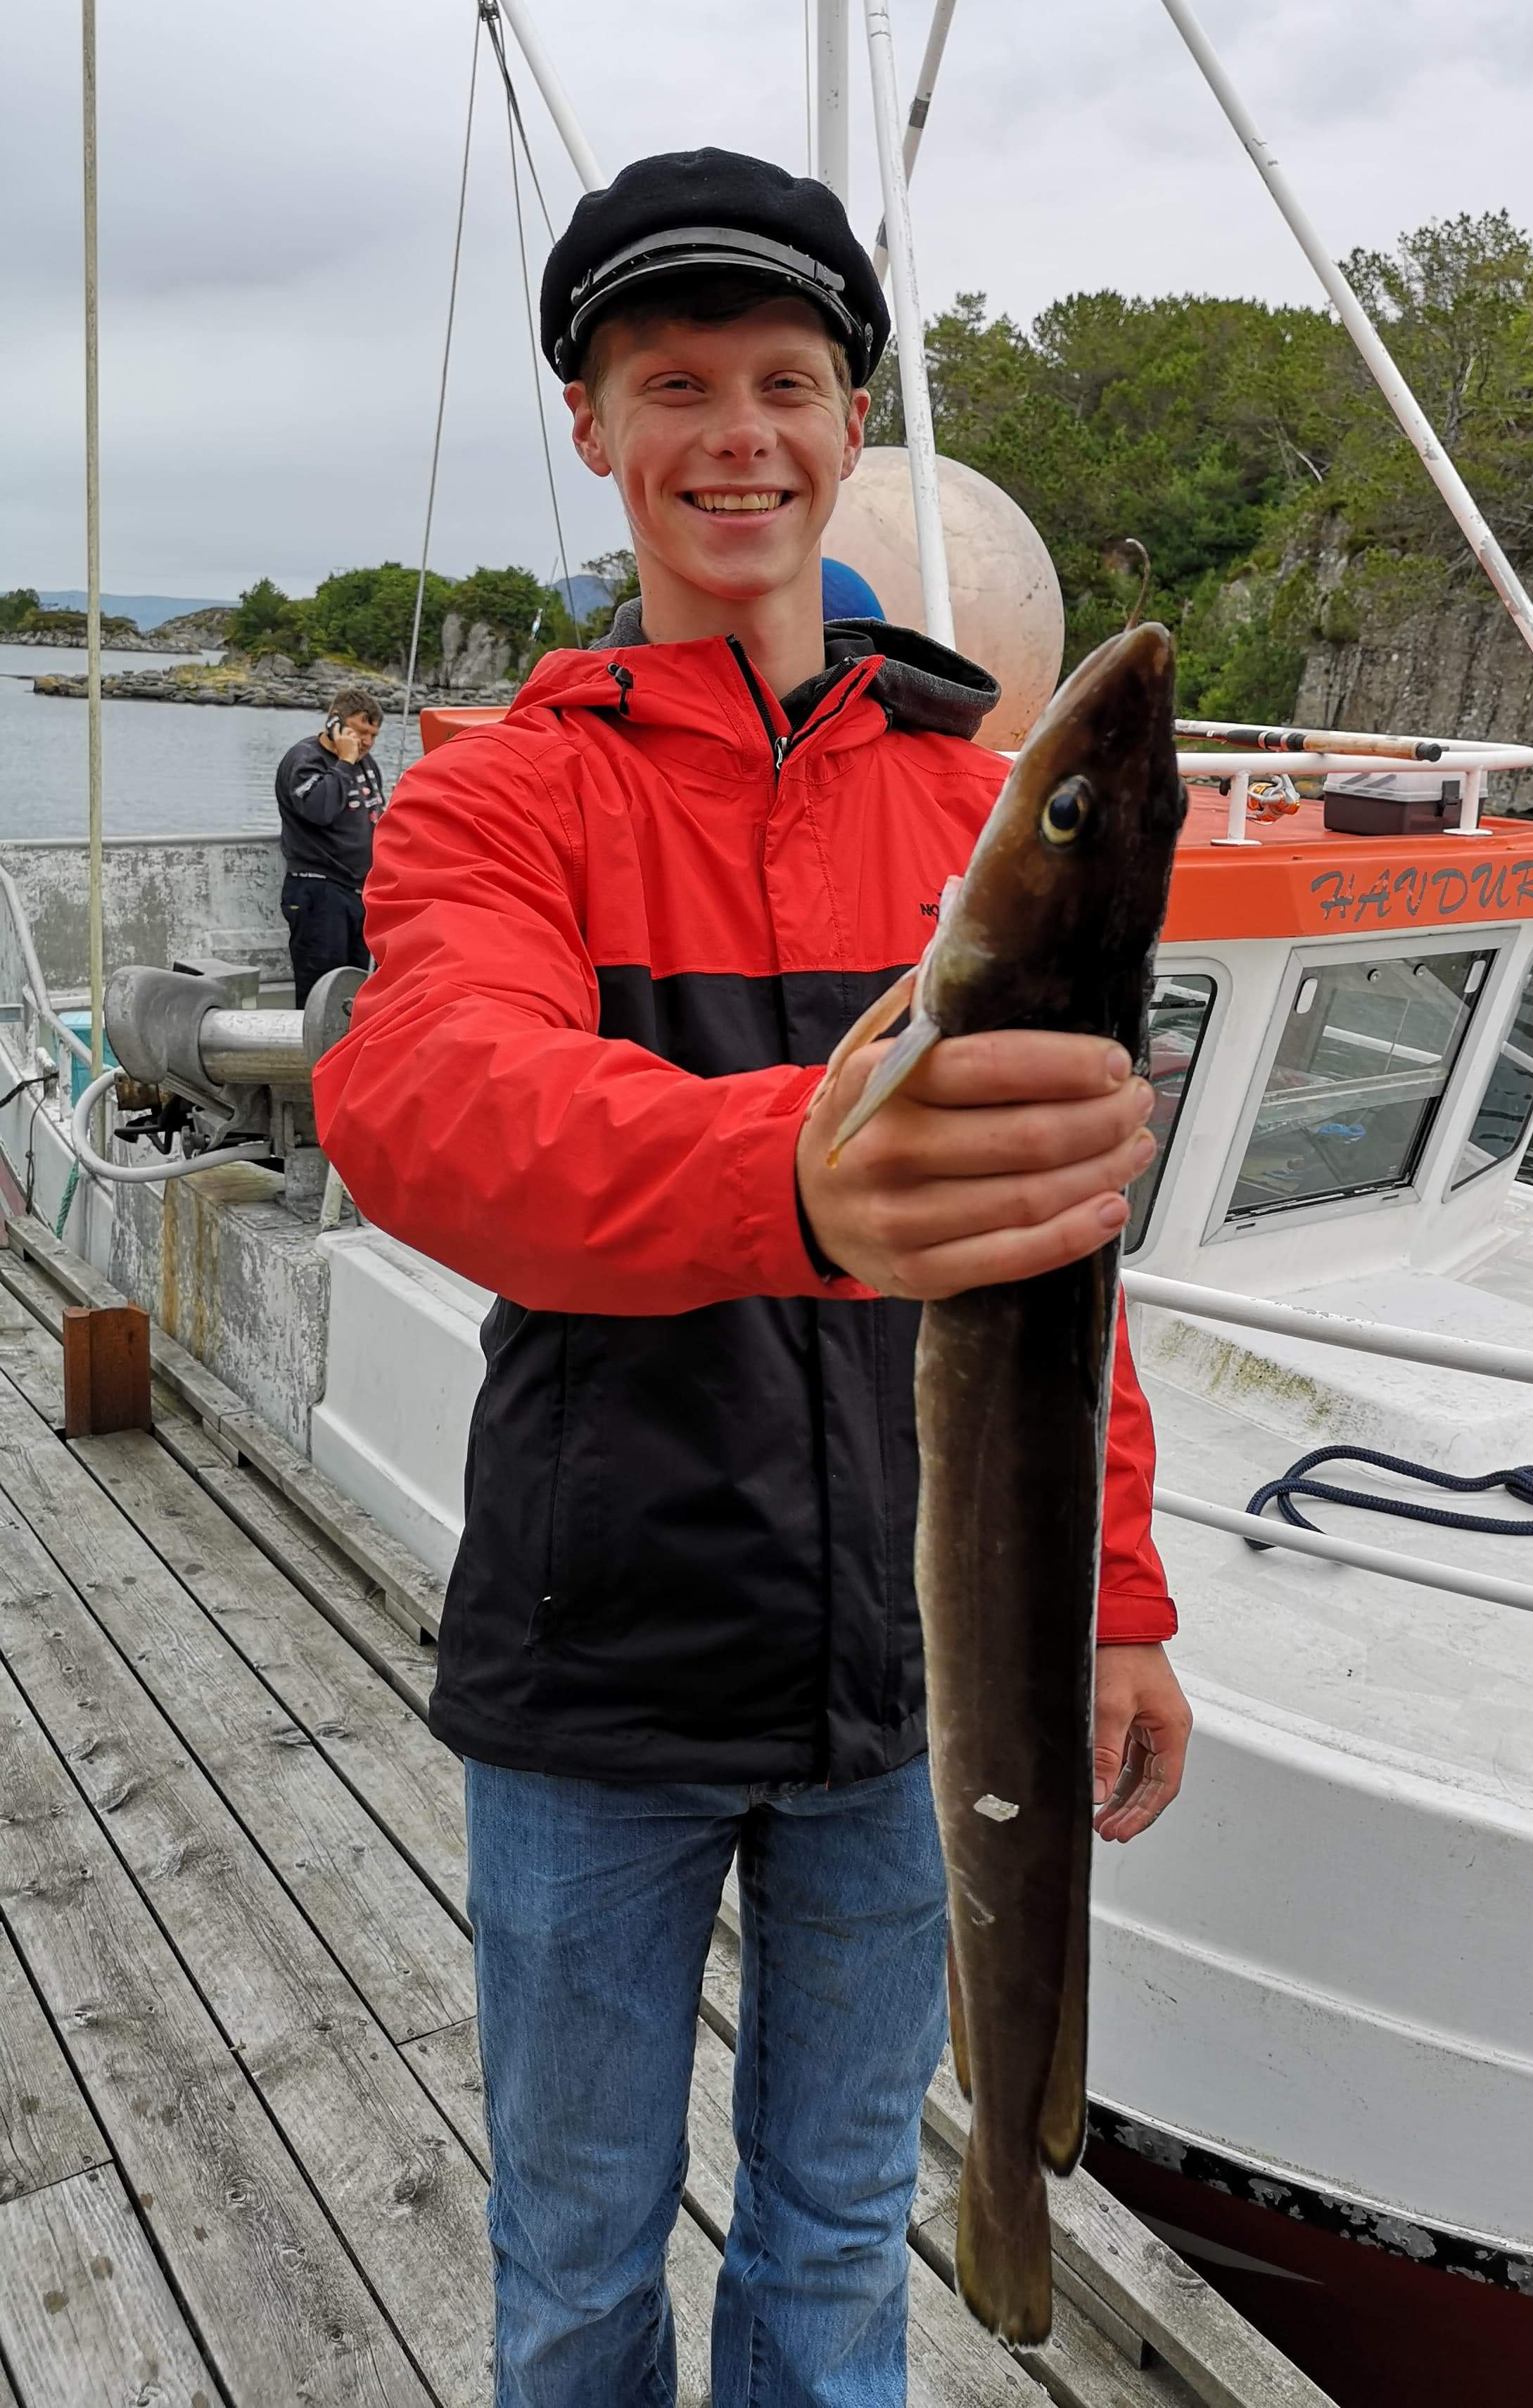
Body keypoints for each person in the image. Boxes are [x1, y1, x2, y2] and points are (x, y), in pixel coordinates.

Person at [312, 148, 1192, 2408]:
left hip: (909, 1699)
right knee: (580, 2251)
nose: (738, 434)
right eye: (672, 379)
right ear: (594, 428)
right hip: (604, 1672)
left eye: (787, 379)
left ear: (850, 418)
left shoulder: (963, 807)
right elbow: (427, 1097)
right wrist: (803, 1176)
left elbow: (1058, 1275)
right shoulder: (505, 796)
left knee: (830, 2241)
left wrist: (1115, 1593)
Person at [274, 693, 386, 1006]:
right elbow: (319, 808)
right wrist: (346, 762)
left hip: (359, 893)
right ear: (335, 720)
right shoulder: (304, 760)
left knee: (360, 987)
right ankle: (314, 1055)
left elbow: (377, 817)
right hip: (318, 892)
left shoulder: (367, 766)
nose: (365, 742)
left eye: (372, 736)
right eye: (358, 731)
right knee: (321, 993)